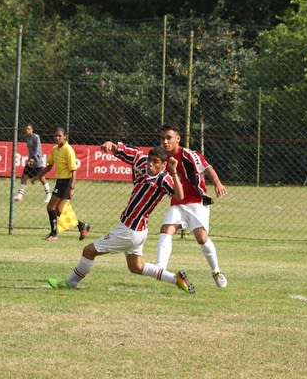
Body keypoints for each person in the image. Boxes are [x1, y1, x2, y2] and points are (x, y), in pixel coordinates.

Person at [48, 143, 195, 294]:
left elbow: (180, 196)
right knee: (136, 267)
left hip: (129, 230)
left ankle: (69, 283)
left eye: (155, 162)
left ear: (164, 164)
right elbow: (130, 153)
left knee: (89, 251)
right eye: (150, 160)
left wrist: (174, 172)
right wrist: (113, 145)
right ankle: (175, 279)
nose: (150, 164)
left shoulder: (164, 179)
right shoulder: (142, 162)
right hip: (138, 231)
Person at [155, 123, 228, 288]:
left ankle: (216, 271)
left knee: (201, 237)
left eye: (169, 138)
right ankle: (160, 269)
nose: (165, 142)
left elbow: (207, 167)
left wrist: (217, 183)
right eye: (162, 138)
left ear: (178, 139)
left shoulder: (188, 154)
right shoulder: (161, 158)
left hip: (196, 201)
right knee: (166, 229)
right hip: (178, 203)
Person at [32, 126, 90, 242]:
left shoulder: (68, 150)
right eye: (55, 135)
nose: (57, 137)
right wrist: (38, 176)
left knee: (50, 207)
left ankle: (54, 234)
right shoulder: (55, 149)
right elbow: (49, 165)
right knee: (58, 210)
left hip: (67, 182)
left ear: (65, 137)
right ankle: (82, 226)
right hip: (60, 182)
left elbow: (74, 171)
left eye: (60, 135)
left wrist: (72, 188)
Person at [13, 123, 51, 203]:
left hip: (37, 161)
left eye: (29, 129)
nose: (27, 130)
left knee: (41, 178)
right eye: (26, 129)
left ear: (32, 130)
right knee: (24, 176)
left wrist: (33, 158)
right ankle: (20, 195)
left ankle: (49, 195)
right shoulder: (27, 138)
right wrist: (30, 159)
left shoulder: (36, 137)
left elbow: (37, 148)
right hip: (31, 161)